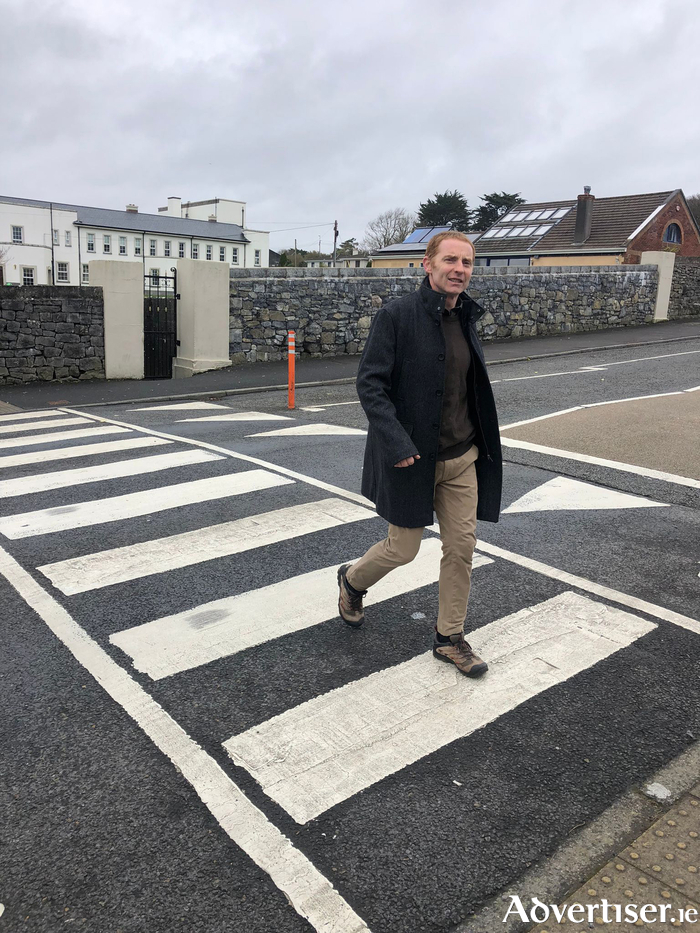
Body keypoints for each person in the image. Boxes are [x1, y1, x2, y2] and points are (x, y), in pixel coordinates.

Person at [337, 230, 502, 676]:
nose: (459, 270)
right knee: (402, 548)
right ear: (426, 264)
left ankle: (449, 638)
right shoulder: (396, 316)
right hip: (411, 457)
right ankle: (352, 581)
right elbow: (370, 383)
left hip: (461, 456)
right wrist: (395, 440)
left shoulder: (466, 316)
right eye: (450, 260)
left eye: (467, 262)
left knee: (462, 546)